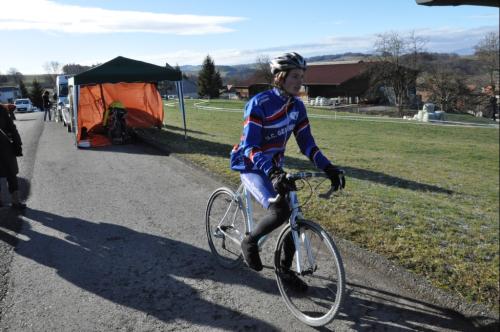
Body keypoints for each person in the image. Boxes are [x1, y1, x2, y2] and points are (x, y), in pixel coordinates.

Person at [230, 52, 345, 288]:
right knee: (280, 210)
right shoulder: (259, 103)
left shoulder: (297, 107)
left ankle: (284, 269)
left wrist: (329, 167)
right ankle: (250, 242)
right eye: (294, 76)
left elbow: (308, 145)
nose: (299, 81)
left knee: (294, 212)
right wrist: (272, 172)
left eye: (302, 76)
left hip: (274, 168)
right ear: (280, 77)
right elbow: (250, 146)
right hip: (251, 165)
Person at [0, 104, 26, 209]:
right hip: (5, 147)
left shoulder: (2, 109)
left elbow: (12, 128)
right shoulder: (2, 109)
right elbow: (12, 128)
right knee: (11, 174)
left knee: (11, 174)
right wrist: (18, 145)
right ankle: (16, 201)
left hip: (5, 147)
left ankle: (12, 201)